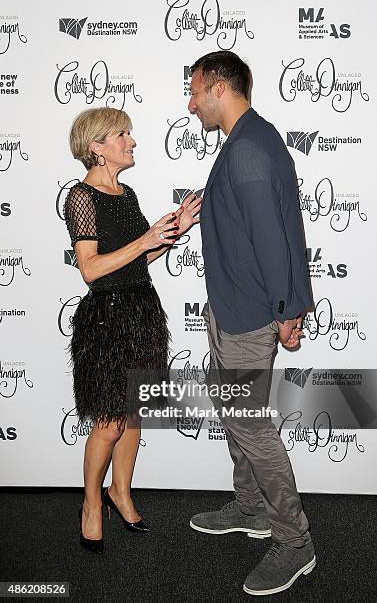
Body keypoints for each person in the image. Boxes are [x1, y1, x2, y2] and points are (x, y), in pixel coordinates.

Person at [187, 51, 315, 596]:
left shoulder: (246, 151)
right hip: (232, 307)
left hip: (247, 315)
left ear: (219, 87)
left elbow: (274, 237)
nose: (190, 104)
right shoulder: (249, 142)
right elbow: (281, 221)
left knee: (251, 427)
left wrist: (288, 309)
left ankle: (294, 539)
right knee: (233, 413)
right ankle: (251, 509)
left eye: (195, 92)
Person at [64, 107, 201, 554]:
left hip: (143, 314)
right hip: (106, 321)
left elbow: (140, 259)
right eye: (122, 134)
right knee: (108, 423)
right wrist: (143, 241)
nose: (132, 141)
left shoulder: (128, 193)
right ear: (96, 147)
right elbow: (90, 269)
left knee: (135, 415)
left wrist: (174, 229)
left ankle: (120, 493)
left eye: (129, 133)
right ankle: (90, 505)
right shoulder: (80, 198)